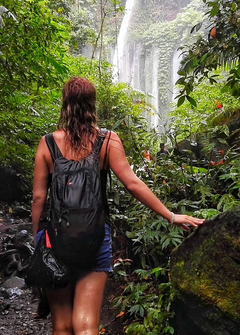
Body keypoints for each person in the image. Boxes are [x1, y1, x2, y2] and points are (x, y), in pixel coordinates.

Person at [31, 77, 204, 335]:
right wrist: (171, 215)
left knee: (62, 325)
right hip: (95, 236)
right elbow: (133, 184)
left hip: (55, 240)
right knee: (86, 324)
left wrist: (38, 237)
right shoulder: (107, 141)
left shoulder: (47, 143)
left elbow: (38, 198)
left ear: (64, 104)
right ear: (92, 104)